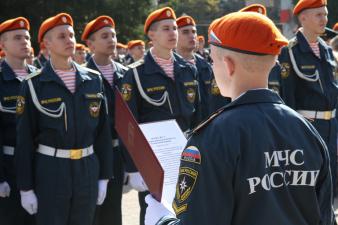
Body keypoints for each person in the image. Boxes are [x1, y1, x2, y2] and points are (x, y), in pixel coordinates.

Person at [144, 10, 334, 225]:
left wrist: (161, 220)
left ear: (228, 65)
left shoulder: (213, 137)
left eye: (214, 62)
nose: (213, 68)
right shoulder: (306, 130)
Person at [15, 13, 114, 225]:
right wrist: (26, 188)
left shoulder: (93, 80)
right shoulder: (33, 84)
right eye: (62, 36)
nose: (69, 40)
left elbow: (103, 133)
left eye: (71, 35)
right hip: (51, 170)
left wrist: (104, 177)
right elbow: (24, 140)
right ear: (46, 43)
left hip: (87, 169)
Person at [121, 6, 201, 225]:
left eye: (175, 28)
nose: (173, 33)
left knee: (187, 209)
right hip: (154, 156)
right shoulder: (135, 74)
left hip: (186, 153)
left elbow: (200, 117)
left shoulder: (188, 69)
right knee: (153, 213)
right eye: (166, 28)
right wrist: (134, 168)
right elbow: (129, 126)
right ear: (151, 35)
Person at [269, 0, 338, 195]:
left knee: (330, 184)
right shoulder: (289, 51)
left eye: (325, 14)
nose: (324, 19)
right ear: (303, 18)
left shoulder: (326, 50)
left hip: (331, 127)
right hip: (306, 126)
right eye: (318, 15)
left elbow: (333, 92)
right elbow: (284, 98)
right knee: (308, 185)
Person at [81, 15, 127, 225]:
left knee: (113, 212)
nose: (111, 40)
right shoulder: (82, 77)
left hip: (118, 152)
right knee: (90, 212)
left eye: (113, 35)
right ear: (90, 44)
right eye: (104, 36)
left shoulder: (125, 74)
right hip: (92, 154)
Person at [0, 16, 36, 225]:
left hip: (40, 166)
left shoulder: (41, 77)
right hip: (9, 167)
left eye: (27, 38)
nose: (24, 42)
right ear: (3, 44)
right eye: (17, 38)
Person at [176, 15, 228, 118]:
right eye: (185, 32)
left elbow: (217, 101)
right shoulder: (170, 67)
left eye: (194, 32)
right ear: (175, 36)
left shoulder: (206, 66)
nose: (192, 36)